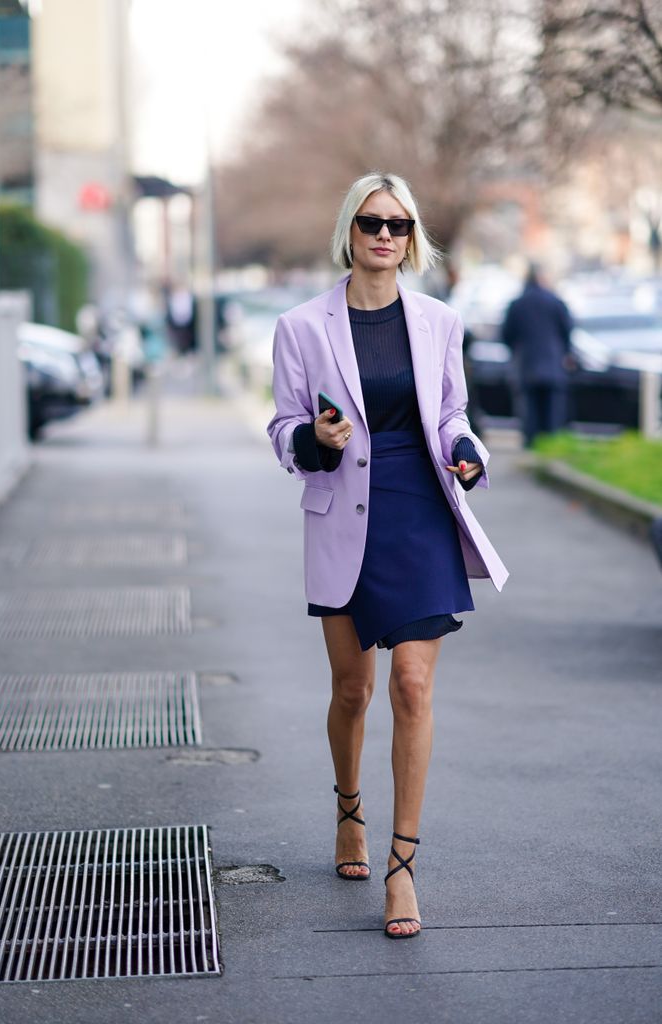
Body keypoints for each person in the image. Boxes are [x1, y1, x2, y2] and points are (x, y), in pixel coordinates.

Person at [266, 172, 509, 940]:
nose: (384, 235)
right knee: (352, 692)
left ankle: (402, 866)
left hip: (419, 509)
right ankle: (348, 812)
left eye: (399, 225)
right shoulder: (302, 327)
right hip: (345, 515)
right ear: (349, 231)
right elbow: (282, 429)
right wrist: (315, 440)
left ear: (412, 240)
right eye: (372, 222)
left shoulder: (439, 321)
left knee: (411, 684)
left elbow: (451, 413)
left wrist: (466, 451)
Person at [501, 263, 574, 446]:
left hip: (526, 365)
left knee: (529, 415)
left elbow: (506, 335)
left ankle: (532, 449)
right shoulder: (555, 301)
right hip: (553, 365)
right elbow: (567, 330)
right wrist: (565, 352)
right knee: (553, 415)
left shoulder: (517, 304)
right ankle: (550, 450)